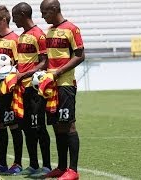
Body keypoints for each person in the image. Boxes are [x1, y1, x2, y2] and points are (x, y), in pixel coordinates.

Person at [40, 0, 85, 179]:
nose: (43, 16)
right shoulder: (49, 31)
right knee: (57, 126)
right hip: (50, 87)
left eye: (45, 12)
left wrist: (58, 72)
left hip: (65, 84)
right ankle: (61, 167)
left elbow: (80, 55)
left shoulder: (72, 29)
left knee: (68, 125)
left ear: (54, 9)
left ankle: (73, 170)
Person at [11, 2, 52, 177]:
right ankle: (34, 164)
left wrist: (23, 75)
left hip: (35, 89)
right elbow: (22, 61)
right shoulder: (21, 37)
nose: (13, 20)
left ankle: (47, 166)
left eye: (14, 16)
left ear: (22, 14)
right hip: (22, 90)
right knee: (27, 127)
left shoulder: (38, 35)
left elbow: (45, 62)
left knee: (39, 127)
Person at [0, 5, 23, 174]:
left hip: (10, 90)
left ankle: (17, 163)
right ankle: (1, 163)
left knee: (14, 126)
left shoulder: (15, 40)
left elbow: (19, 65)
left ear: (3, 20)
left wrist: (9, 75)